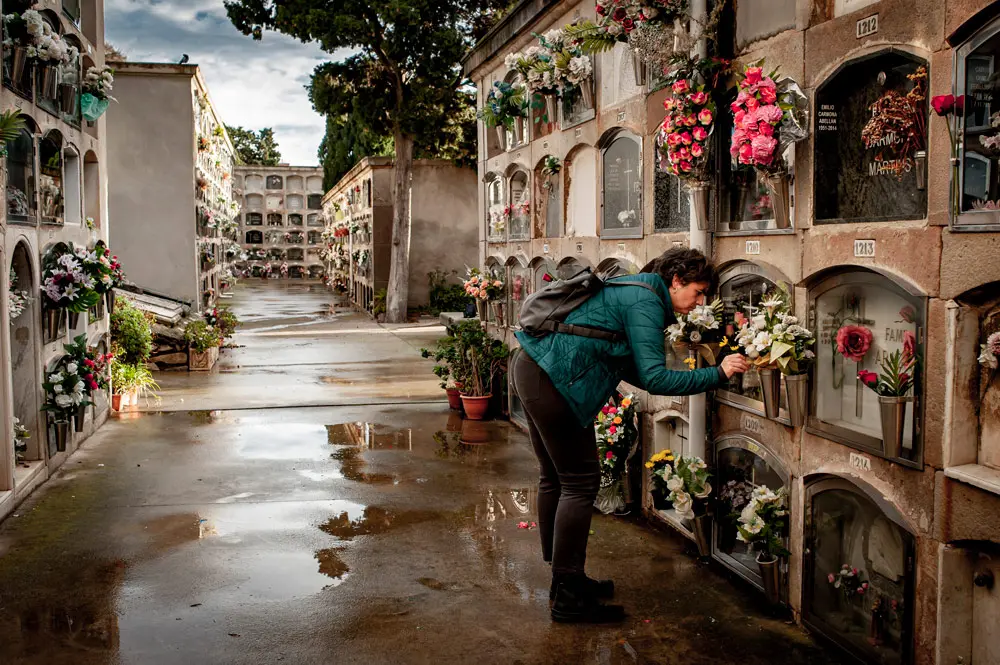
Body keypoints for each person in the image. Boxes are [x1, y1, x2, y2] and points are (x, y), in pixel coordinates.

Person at [511, 247, 749, 623]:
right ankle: (567, 595)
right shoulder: (646, 302)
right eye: (698, 292)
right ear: (675, 280)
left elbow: (636, 371)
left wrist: (705, 375)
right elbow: (654, 378)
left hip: (536, 369)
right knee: (579, 483)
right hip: (551, 378)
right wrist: (717, 374)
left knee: (557, 478)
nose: (700, 302)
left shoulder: (636, 290)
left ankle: (565, 577)